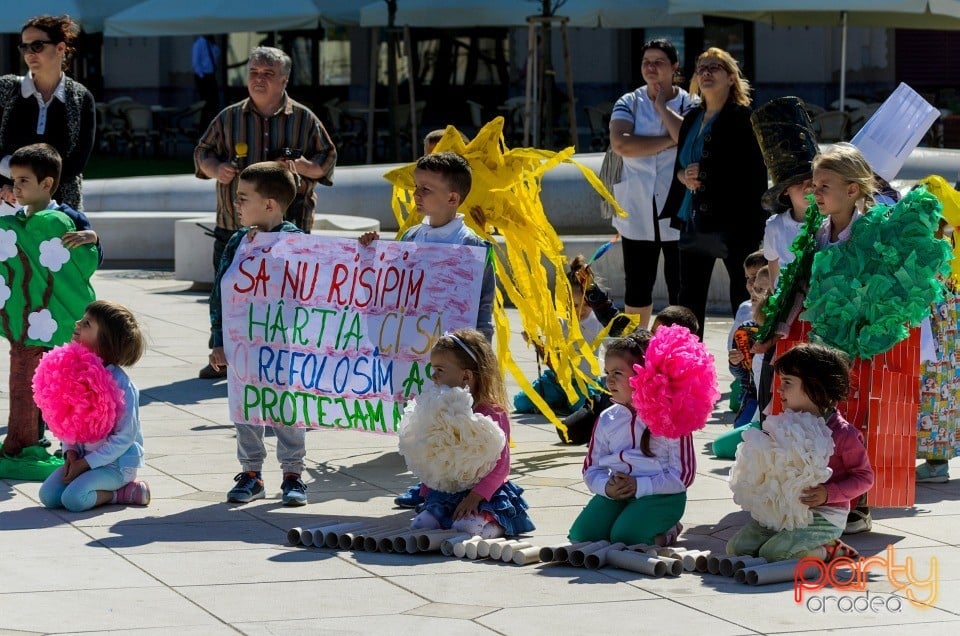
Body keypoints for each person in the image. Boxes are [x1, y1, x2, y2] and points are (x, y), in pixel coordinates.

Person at [360, 152, 495, 507]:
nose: (416, 195)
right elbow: (388, 288)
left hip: (456, 356)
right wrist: (369, 255)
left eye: (425, 189)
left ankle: (456, 486)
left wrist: (481, 356)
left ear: (452, 198)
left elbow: (483, 309)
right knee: (423, 421)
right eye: (415, 187)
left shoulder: (474, 247)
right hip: (416, 352)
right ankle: (426, 484)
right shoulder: (409, 238)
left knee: (454, 423)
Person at [195, 46, 337, 379]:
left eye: (267, 73)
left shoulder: (304, 118)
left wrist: (304, 166)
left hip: (289, 230)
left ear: (284, 79)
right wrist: (217, 169)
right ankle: (224, 354)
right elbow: (202, 153)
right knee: (228, 291)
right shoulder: (229, 117)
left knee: (282, 297)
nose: (259, 79)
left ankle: (282, 355)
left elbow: (328, 159)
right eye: (254, 72)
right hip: (234, 226)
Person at [206, 162, 309, 506]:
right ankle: (251, 474)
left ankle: (293, 474)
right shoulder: (237, 241)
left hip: (286, 345)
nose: (236, 203)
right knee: (245, 407)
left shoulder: (297, 241)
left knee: (286, 408)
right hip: (243, 345)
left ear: (269, 204)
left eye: (243, 197)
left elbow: (320, 286)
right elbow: (221, 292)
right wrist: (218, 340)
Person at [727, 343, 873, 562]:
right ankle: (796, 543)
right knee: (737, 549)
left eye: (787, 383)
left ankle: (830, 550)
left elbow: (864, 478)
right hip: (784, 513)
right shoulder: (784, 422)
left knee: (777, 553)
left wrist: (828, 493)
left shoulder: (842, 433)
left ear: (814, 387)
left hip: (824, 516)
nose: (778, 389)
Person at [0, 143, 101, 457]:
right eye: (13, 181)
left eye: (23, 181)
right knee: (30, 378)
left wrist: (93, 238)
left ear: (46, 184)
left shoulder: (67, 217)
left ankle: (70, 442)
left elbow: (88, 260)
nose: (15, 187)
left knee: (61, 381)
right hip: (29, 318)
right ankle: (32, 439)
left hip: (59, 317)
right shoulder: (16, 218)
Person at [661, 47, 768, 340]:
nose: (706, 73)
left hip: (734, 224)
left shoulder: (743, 118)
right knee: (687, 303)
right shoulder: (692, 116)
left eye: (714, 68)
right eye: (702, 68)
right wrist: (685, 175)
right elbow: (679, 167)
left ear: (731, 78)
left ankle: (745, 367)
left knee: (742, 299)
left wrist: (705, 174)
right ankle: (685, 365)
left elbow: (755, 174)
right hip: (692, 219)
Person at [568, 331, 696, 547]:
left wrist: (640, 486)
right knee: (582, 536)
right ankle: (628, 518)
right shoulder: (607, 418)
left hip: (661, 496)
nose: (609, 379)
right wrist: (606, 487)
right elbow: (591, 468)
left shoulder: (671, 416)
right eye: (607, 372)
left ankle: (668, 529)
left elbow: (683, 475)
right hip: (619, 495)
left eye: (618, 372)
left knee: (626, 538)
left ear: (644, 375)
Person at [408, 329, 535, 538]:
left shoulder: (492, 413)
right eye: (433, 369)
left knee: (468, 528)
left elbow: (501, 466)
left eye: (440, 370)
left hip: (484, 491)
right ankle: (452, 517)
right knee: (422, 525)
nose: (433, 375)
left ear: (466, 376)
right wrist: (427, 490)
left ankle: (494, 524)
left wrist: (476, 497)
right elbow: (433, 453)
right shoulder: (442, 408)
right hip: (450, 489)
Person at [608, 39, 697, 330]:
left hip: (678, 208)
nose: (651, 67)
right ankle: (636, 343)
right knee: (637, 283)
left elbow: (689, 138)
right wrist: (669, 141)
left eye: (659, 62)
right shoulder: (628, 102)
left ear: (674, 67)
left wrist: (661, 107)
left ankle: (679, 348)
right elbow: (621, 144)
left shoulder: (690, 103)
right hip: (636, 207)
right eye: (647, 61)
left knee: (680, 286)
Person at [38, 301, 149, 511]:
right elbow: (68, 422)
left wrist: (86, 465)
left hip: (115, 465)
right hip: (81, 459)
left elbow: (125, 437)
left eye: (87, 324)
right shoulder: (74, 372)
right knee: (49, 496)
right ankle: (93, 482)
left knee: (74, 499)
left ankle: (122, 492)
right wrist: (70, 453)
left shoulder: (122, 385)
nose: (78, 323)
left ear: (105, 342)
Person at [0, 14, 95, 211]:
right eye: (24, 47)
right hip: (5, 199)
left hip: (60, 208)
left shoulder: (81, 98)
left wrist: (33, 189)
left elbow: (77, 162)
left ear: (60, 48)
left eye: (37, 46)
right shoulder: (5, 89)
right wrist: (15, 185)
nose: (29, 54)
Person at [752, 97, 819, 285]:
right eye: (798, 181)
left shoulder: (831, 221)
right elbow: (775, 283)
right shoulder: (775, 227)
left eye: (813, 179)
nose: (808, 186)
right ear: (785, 190)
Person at [192, 35, 221, 127]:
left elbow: (216, 55)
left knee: (214, 102)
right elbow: (196, 62)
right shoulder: (199, 44)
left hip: (211, 75)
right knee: (205, 102)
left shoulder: (212, 45)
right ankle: (203, 124)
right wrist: (202, 76)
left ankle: (213, 123)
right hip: (203, 76)